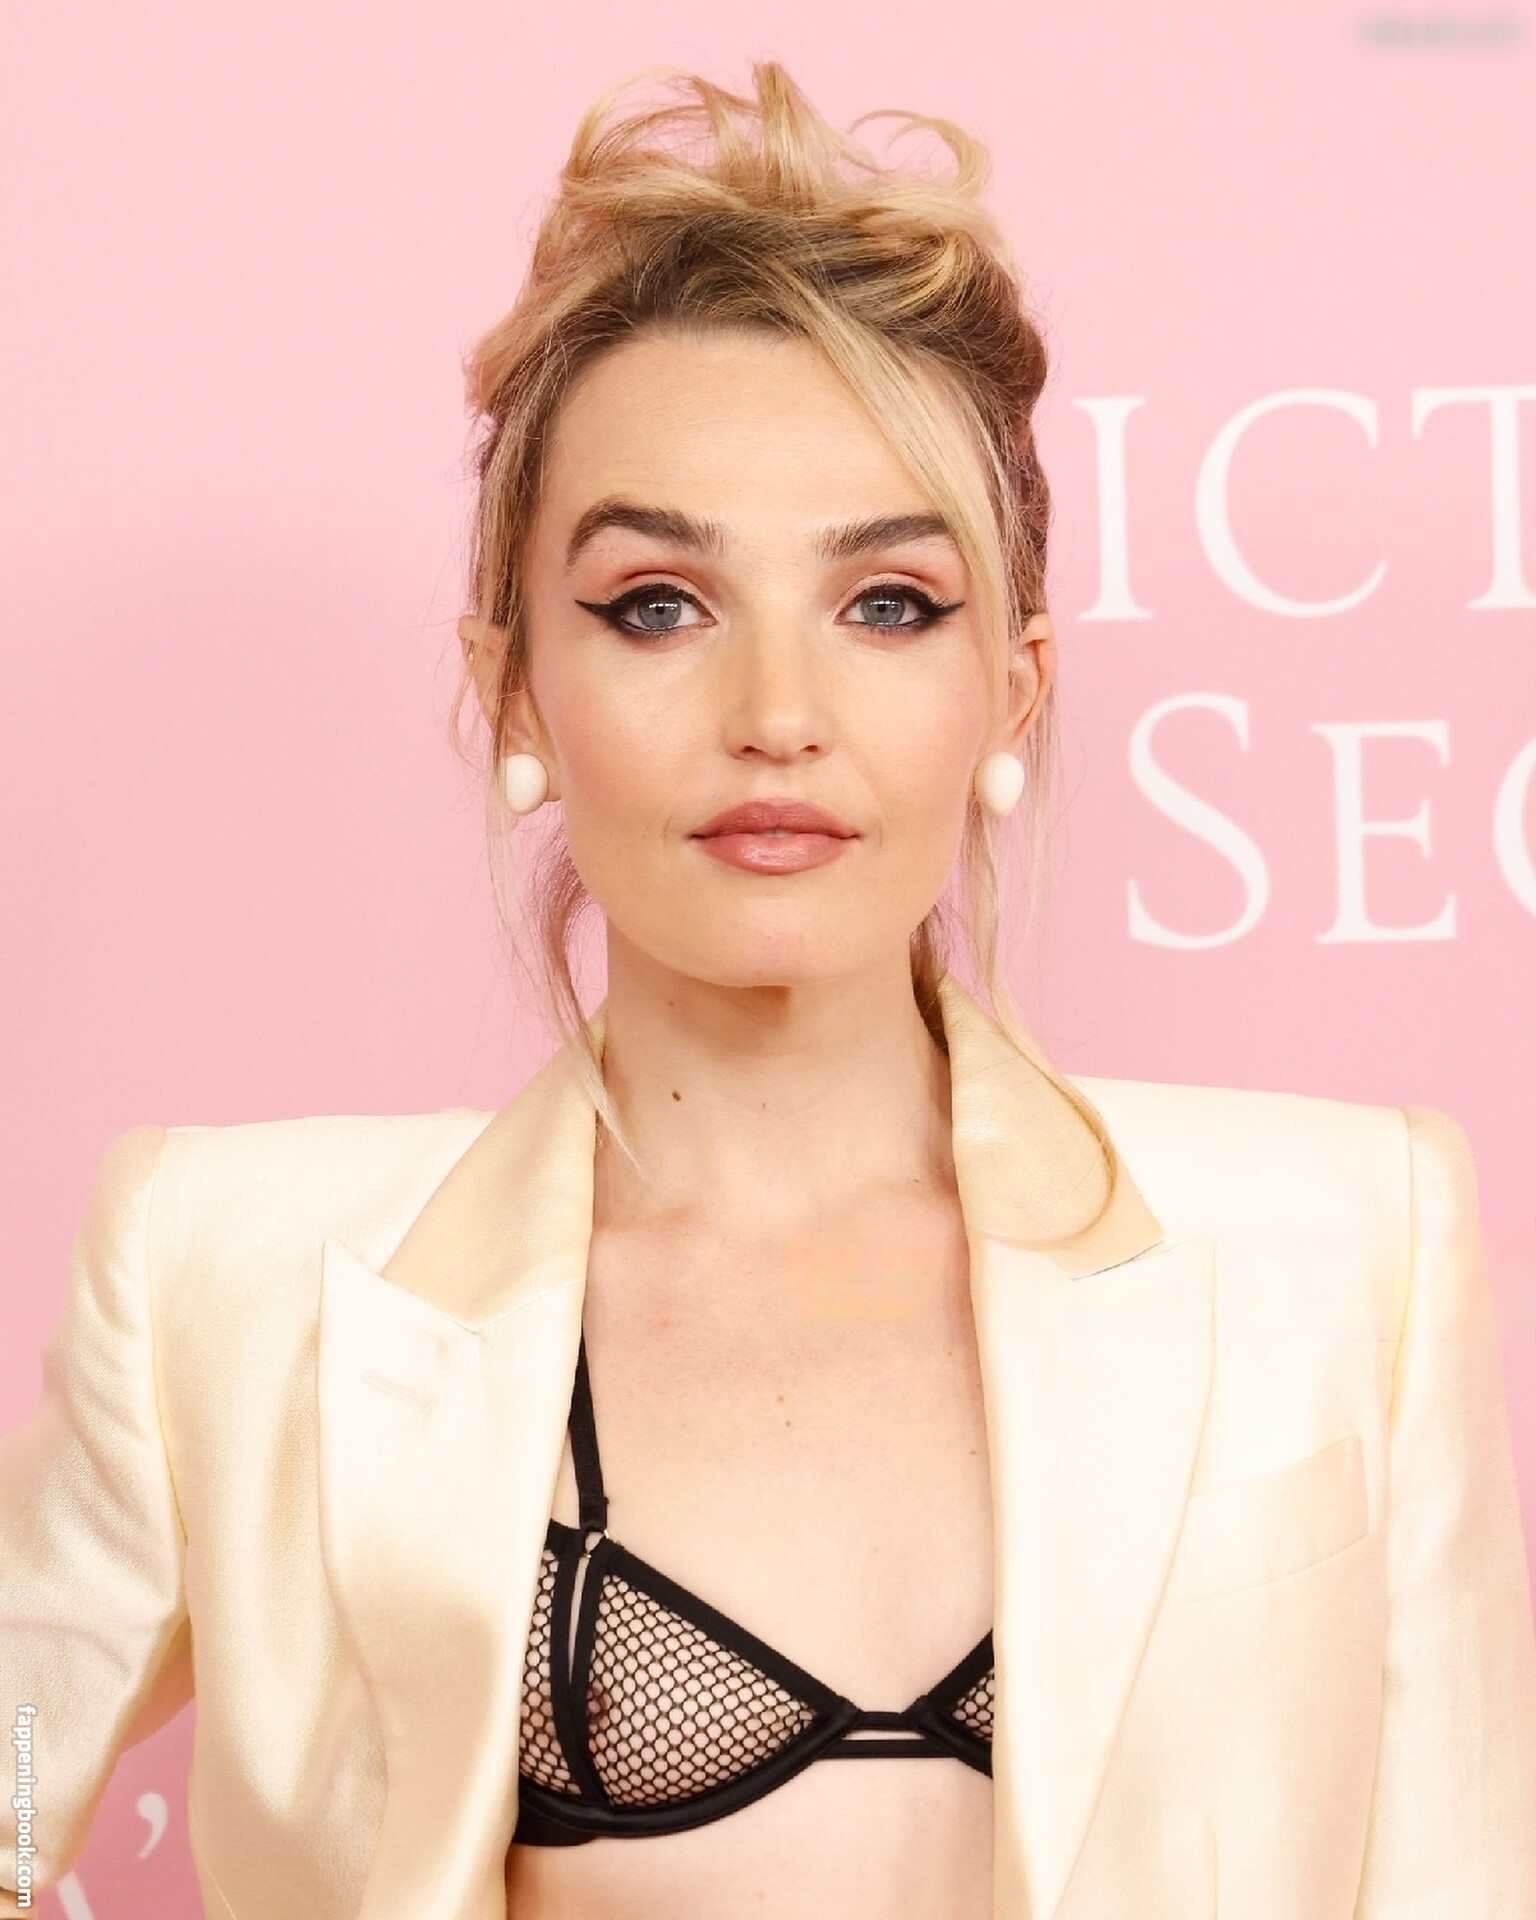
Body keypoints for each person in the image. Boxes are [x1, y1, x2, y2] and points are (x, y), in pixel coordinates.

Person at [3, 61, 1534, 1920]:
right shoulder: (234, 1277)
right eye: (658, 601)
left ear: (1013, 690)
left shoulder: (1346, 1240)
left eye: (888, 603)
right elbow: (17, 1745)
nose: (778, 714)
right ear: (513, 687)